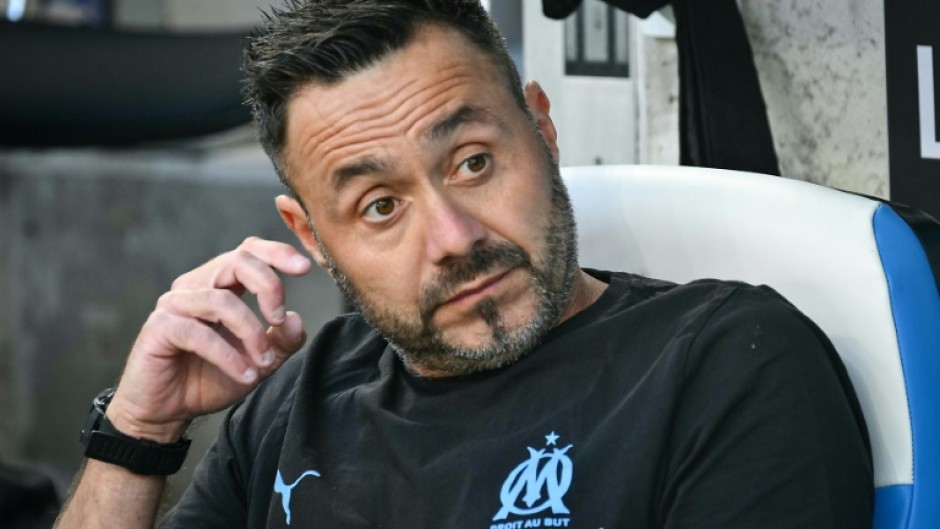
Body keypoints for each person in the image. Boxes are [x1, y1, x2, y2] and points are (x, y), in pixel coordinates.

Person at [55, 1, 873, 528]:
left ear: (542, 133)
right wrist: (140, 429)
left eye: (474, 161)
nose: (451, 235)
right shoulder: (294, 404)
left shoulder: (724, 363)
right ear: (311, 236)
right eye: (381, 205)